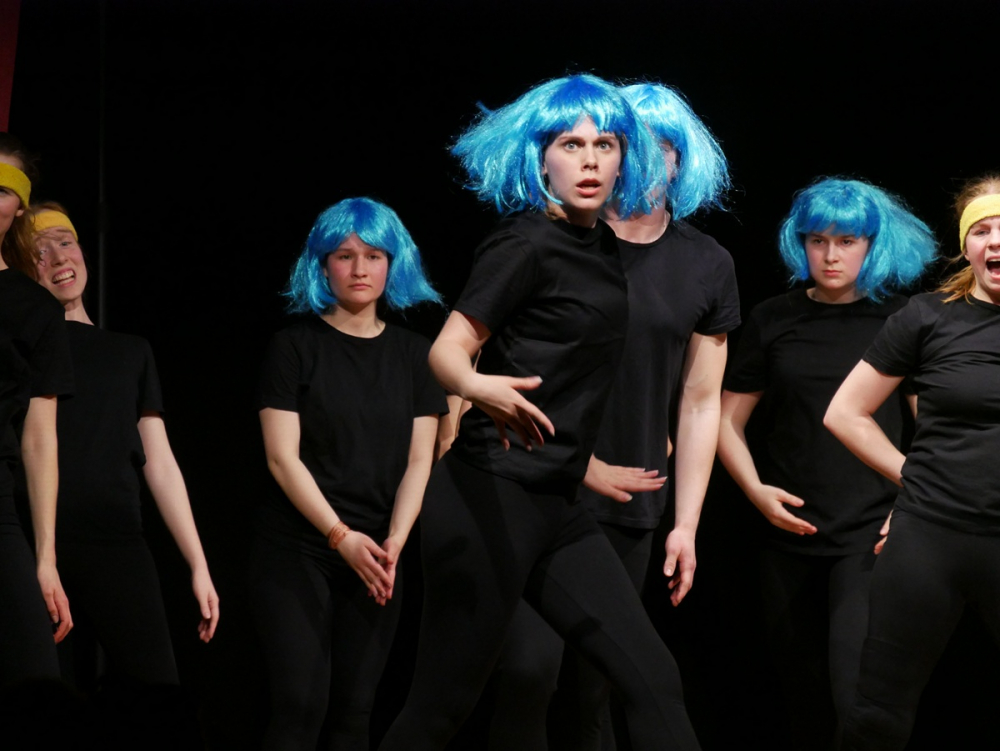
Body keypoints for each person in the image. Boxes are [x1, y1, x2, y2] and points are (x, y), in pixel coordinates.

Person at [377, 73, 701, 751]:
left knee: (654, 679)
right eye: (570, 144)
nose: (590, 160)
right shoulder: (523, 243)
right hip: (486, 497)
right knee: (439, 711)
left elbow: (576, 382)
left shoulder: (602, 245)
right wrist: (483, 388)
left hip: (558, 506)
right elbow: (445, 353)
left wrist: (586, 464)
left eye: (605, 144)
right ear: (540, 157)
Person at [487, 81, 738, 751]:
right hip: (536, 481)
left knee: (600, 685)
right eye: (635, 144)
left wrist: (686, 523)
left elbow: (700, 401)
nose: (650, 159)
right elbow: (484, 357)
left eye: (665, 147)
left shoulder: (706, 263)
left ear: (683, 159)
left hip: (630, 497)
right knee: (527, 672)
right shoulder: (560, 241)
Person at [717, 178, 935, 748]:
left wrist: (911, 504)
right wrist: (755, 491)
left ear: (874, 245)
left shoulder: (901, 319)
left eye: (847, 241)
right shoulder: (773, 318)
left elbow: (933, 429)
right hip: (786, 532)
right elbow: (725, 419)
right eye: (817, 240)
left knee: (853, 693)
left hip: (870, 534)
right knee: (800, 695)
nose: (831, 255)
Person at [252, 197, 445, 750]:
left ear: (393, 264)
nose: (360, 268)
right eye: (344, 255)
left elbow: (420, 461)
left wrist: (394, 542)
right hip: (300, 546)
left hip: (379, 552)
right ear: (323, 265)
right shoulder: (294, 347)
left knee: (356, 713)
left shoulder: (417, 355)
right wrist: (340, 536)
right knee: (300, 705)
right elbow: (281, 458)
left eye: (374, 255)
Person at [825, 175, 1000, 750]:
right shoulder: (927, 317)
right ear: (966, 246)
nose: (996, 241)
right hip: (931, 537)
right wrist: (916, 480)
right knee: (878, 714)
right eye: (982, 230)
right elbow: (845, 413)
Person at [29, 202, 218, 691]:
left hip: (115, 540)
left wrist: (198, 564)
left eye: (64, 242)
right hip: (37, 544)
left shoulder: (129, 351)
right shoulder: (23, 350)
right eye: (39, 252)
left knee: (156, 693)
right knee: (44, 701)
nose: (57, 257)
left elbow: (160, 462)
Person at [0, 135, 74, 688]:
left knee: (36, 681)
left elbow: (40, 437)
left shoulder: (34, 309)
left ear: (19, 207)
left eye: (1, 189)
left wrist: (44, 558)